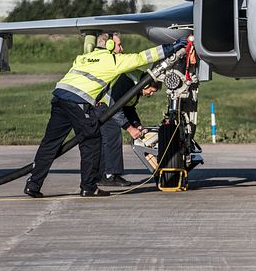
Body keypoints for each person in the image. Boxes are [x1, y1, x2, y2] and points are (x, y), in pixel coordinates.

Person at [23, 32, 185, 198]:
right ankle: (89, 187)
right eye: (119, 45)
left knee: (50, 144)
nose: (121, 49)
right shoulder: (113, 60)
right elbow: (142, 57)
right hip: (78, 102)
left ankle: (33, 184)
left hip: (60, 97)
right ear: (109, 46)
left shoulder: (85, 57)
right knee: (92, 142)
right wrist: (172, 47)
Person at [96, 72, 160, 187]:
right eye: (151, 90)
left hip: (106, 107)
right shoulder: (127, 83)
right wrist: (130, 129)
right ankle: (110, 175)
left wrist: (137, 125)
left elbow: (128, 108)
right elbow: (115, 107)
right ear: (145, 85)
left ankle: (101, 175)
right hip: (103, 106)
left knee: (106, 139)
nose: (150, 94)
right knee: (112, 136)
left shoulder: (136, 86)